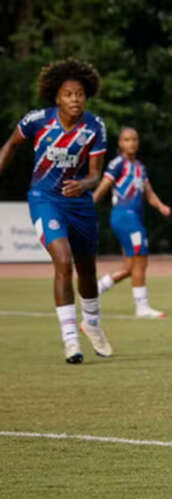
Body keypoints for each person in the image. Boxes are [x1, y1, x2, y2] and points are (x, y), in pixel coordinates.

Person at [0, 59, 112, 363]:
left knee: (87, 271)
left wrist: (84, 185)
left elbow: (95, 174)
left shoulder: (94, 126)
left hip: (80, 205)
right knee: (63, 261)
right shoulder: (37, 120)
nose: (75, 99)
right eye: (68, 94)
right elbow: (10, 145)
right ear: (57, 98)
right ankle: (70, 341)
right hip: (44, 199)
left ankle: (91, 324)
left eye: (79, 94)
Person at [92, 127, 172, 318]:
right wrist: (88, 205)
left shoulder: (140, 167)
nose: (132, 143)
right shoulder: (118, 164)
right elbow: (103, 187)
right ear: (120, 143)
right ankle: (142, 307)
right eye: (127, 140)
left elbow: (149, 194)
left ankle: (94, 289)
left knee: (129, 268)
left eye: (134, 139)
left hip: (132, 218)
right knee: (141, 262)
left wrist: (161, 206)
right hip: (125, 217)